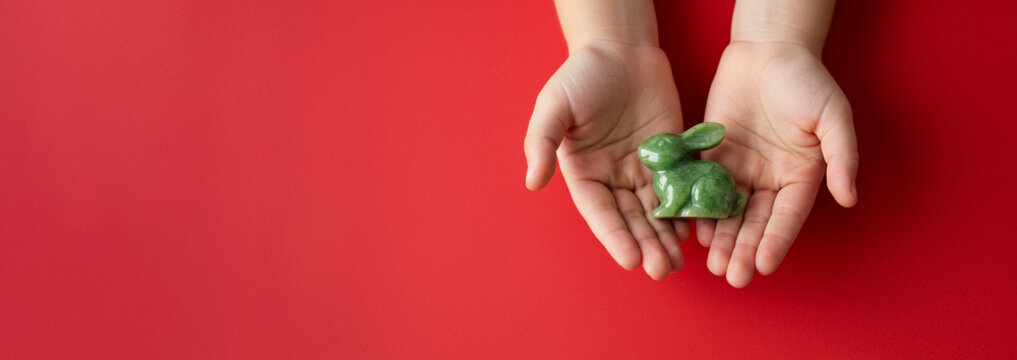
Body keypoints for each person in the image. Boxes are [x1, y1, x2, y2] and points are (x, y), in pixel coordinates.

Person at [523, 0, 858, 287]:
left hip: (718, 188)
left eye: (657, 149)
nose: (647, 153)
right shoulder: (668, 173)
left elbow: (674, 197)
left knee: (697, 192)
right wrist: (608, 39)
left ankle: (712, 204)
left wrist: (780, 41)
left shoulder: (676, 173)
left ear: (679, 150)